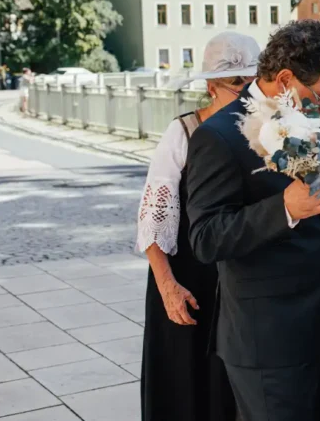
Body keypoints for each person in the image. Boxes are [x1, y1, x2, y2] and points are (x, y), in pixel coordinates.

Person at [185, 20, 320, 421]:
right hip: (265, 340)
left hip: (314, 329)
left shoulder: (302, 124)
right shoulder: (217, 137)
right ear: (285, 78)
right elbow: (206, 238)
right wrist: (283, 208)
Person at [136, 32, 257, 421]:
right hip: (187, 277)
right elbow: (152, 219)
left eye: (252, 80)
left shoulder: (263, 131)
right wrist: (168, 286)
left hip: (239, 279)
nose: (245, 91)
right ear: (210, 87)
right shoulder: (183, 132)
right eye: (235, 82)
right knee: (183, 382)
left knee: (231, 387)